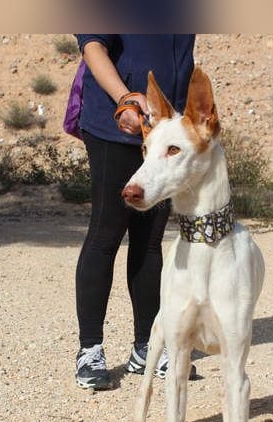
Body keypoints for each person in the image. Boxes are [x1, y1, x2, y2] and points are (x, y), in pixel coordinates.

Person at [73, 34, 196, 390]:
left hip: (164, 133)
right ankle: (90, 350)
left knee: (150, 242)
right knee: (105, 235)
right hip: (117, 127)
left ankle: (147, 347)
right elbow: (93, 46)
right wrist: (123, 98)